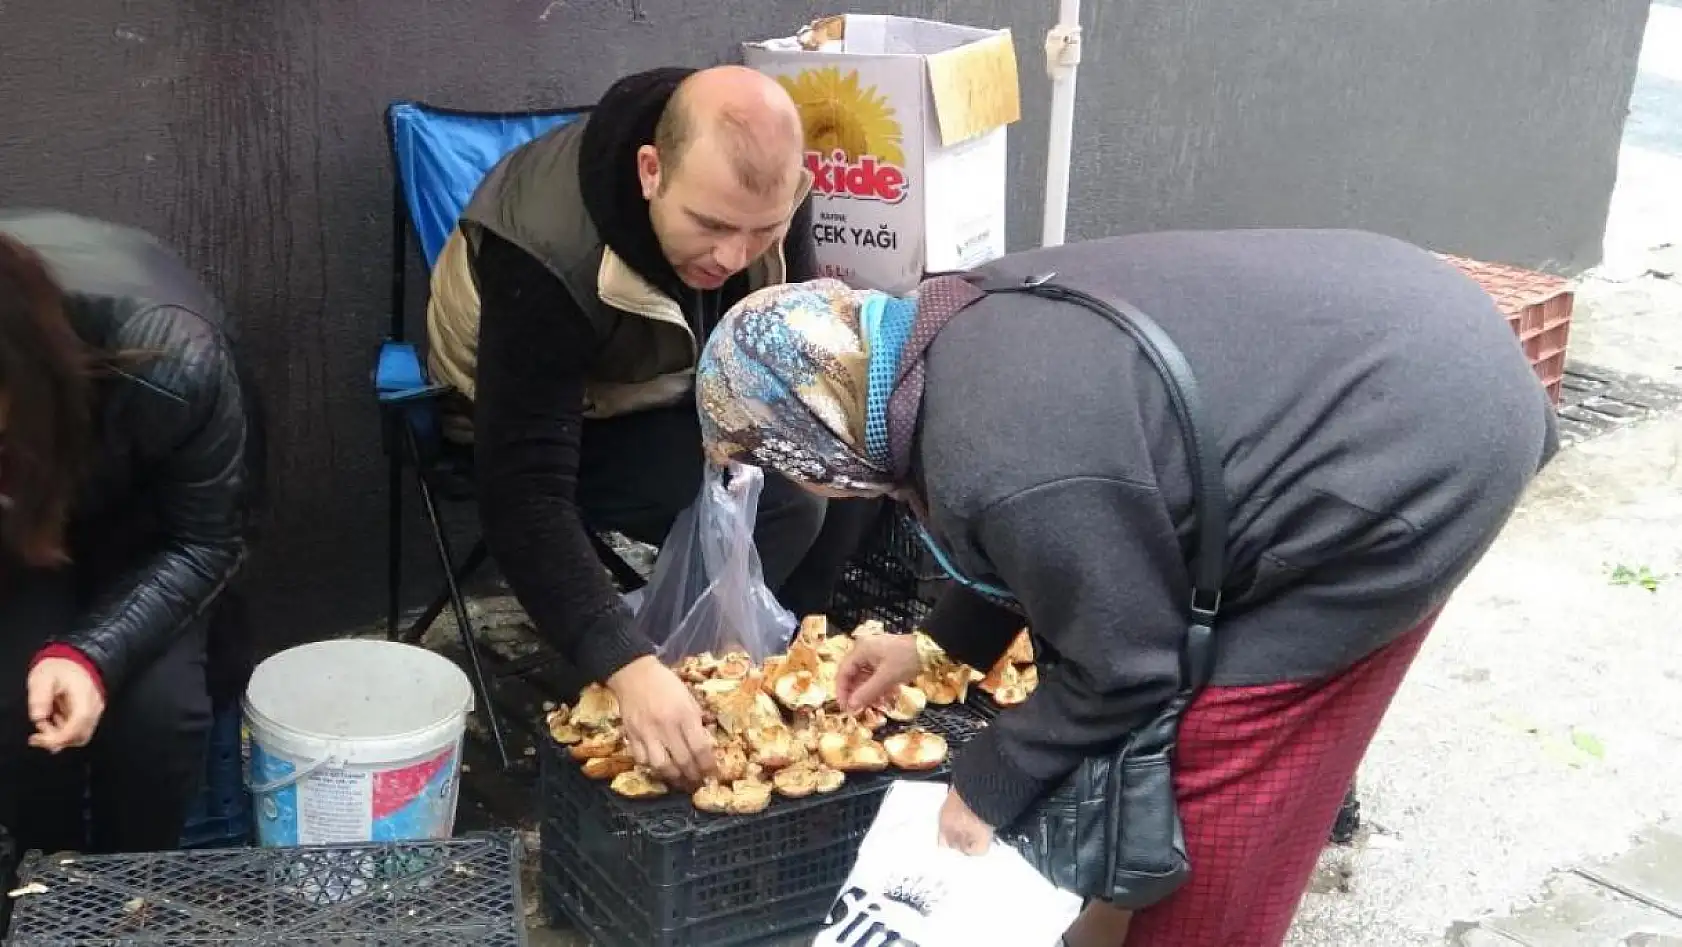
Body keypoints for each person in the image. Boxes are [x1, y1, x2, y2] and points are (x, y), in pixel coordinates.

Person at [694, 230, 1559, 946]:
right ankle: (1114, 920)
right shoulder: (940, 334)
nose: (808, 485)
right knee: (1185, 733)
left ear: (815, 429)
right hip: (1401, 326)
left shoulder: (991, 454)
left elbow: (1130, 663)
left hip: (1421, 436)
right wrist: (934, 644)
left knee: (1224, 751)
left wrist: (989, 781)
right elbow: (1072, 528)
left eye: (787, 464)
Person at [423, 64, 878, 788]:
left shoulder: (775, 194)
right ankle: (672, 689)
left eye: (761, 231)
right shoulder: (542, 250)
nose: (733, 256)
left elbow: (796, 350)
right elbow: (522, 493)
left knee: (851, 467)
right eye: (711, 225)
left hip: (675, 377)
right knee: (781, 500)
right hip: (548, 405)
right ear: (650, 172)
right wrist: (624, 662)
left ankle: (779, 684)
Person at [0, 209, 262, 857]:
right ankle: (43, 880)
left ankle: (131, 886)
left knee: (158, 715)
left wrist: (88, 655)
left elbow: (205, 542)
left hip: (154, 536)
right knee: (14, 698)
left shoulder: (175, 363)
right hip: (25, 525)